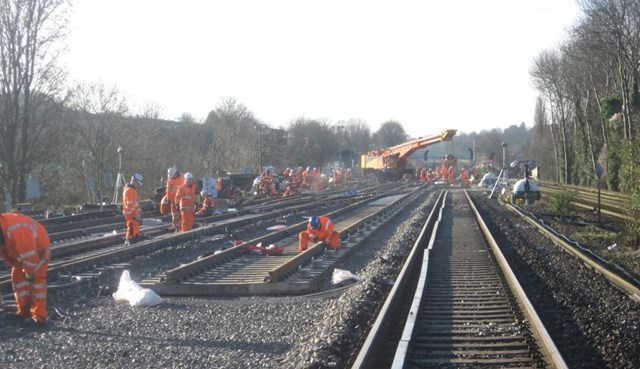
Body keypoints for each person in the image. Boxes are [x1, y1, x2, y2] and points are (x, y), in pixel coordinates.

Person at [0, 212, 51, 325]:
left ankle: (39, 315)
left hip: (39, 251)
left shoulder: (16, 230)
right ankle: (24, 311)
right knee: (18, 278)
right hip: (20, 255)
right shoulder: (3, 230)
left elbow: (31, 258)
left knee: (36, 281)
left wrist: (28, 273)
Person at [123, 173, 143, 246]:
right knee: (131, 228)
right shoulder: (130, 190)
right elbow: (130, 204)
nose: (138, 185)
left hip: (133, 214)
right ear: (134, 181)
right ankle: (129, 242)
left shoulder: (131, 190)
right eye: (137, 183)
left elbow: (134, 203)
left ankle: (132, 242)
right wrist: (135, 215)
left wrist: (139, 211)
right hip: (131, 214)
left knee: (134, 228)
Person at [166, 167, 184, 231]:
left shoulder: (182, 177)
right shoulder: (169, 179)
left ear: (176, 173)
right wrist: (168, 198)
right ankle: (176, 226)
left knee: (182, 211)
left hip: (182, 197)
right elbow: (168, 190)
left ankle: (182, 225)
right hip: (173, 197)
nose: (172, 177)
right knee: (174, 212)